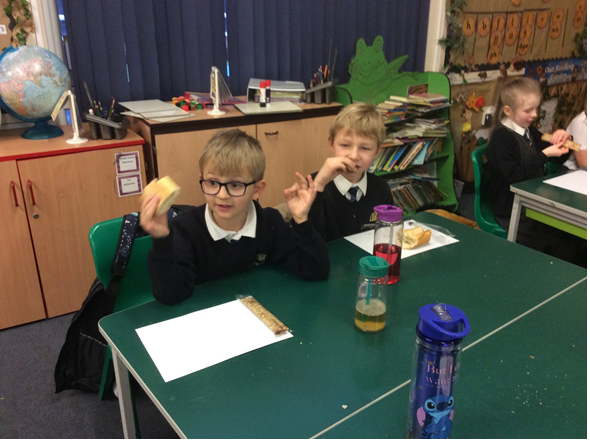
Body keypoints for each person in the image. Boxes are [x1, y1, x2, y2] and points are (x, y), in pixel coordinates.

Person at [140, 129, 330, 305]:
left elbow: (316, 270)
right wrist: (161, 239)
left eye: (236, 185)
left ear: (257, 189)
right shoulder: (185, 228)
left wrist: (302, 221)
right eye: (212, 182)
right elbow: (170, 295)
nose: (222, 195)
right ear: (202, 179)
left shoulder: (269, 224)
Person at [486, 77, 585, 266]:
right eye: (528, 110)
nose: (534, 114)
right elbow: (512, 176)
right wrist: (544, 154)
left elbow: (558, 156)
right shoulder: (501, 138)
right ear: (508, 110)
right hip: (512, 208)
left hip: (534, 200)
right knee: (559, 246)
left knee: (571, 237)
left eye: (536, 108)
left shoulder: (529, 130)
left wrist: (566, 139)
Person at [307, 102, 394, 241]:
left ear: (377, 151)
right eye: (345, 145)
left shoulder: (381, 189)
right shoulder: (312, 185)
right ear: (332, 143)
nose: (353, 156)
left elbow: (387, 235)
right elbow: (306, 240)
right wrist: (318, 187)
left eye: (365, 148)